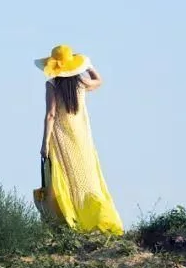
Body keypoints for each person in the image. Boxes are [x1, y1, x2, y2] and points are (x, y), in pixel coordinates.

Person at [34, 44, 124, 236]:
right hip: (82, 138)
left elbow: (50, 115)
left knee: (65, 178)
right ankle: (97, 218)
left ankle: (72, 220)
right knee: (88, 178)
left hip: (61, 138)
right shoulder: (81, 83)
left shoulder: (52, 85)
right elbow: (99, 80)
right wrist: (87, 65)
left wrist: (44, 143)